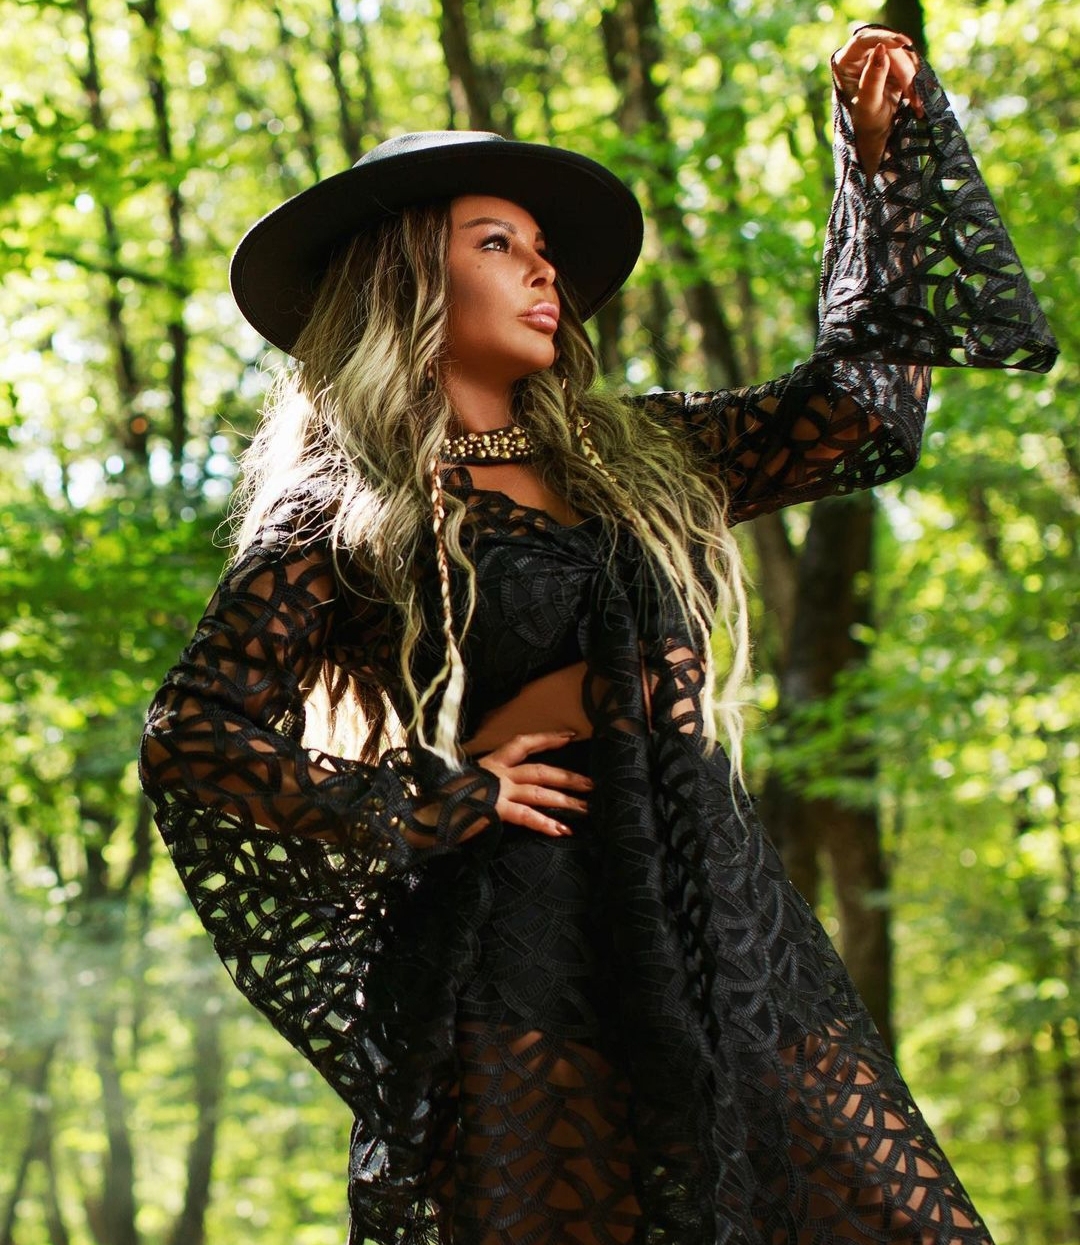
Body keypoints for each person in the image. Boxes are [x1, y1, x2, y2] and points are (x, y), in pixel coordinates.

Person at [141, 25, 1056, 1245]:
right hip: (517, 955)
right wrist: (439, 798)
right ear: (406, 279)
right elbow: (193, 738)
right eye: (497, 242)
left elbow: (855, 415)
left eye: (543, 249)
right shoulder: (341, 510)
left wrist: (879, 165)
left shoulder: (632, 452)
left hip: (722, 920)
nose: (543, 270)